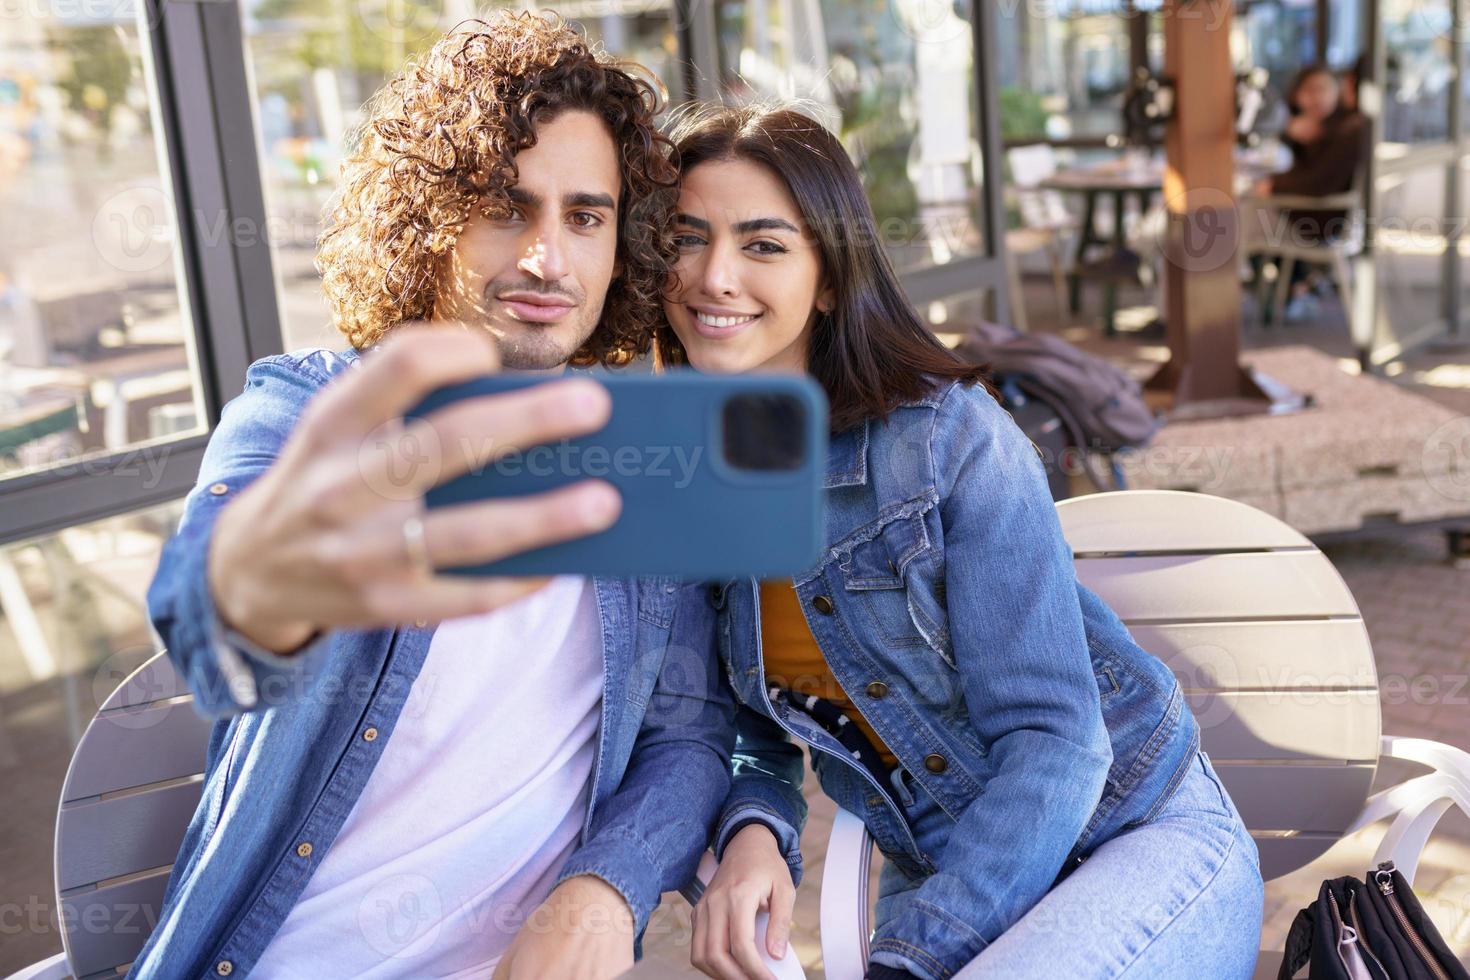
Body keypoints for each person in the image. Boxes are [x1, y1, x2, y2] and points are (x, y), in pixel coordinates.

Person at [130, 16, 734, 979]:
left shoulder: (634, 465)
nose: (547, 259)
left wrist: (606, 886)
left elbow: (689, 734)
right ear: (430, 218)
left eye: (585, 217)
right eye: (507, 207)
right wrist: (253, 592)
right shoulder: (303, 412)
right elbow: (216, 608)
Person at [659, 104, 1265, 980]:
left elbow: (1058, 738)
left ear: (828, 279)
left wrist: (913, 954)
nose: (715, 277)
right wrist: (758, 828)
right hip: (949, 869)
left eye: (762, 245)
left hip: (1132, 836)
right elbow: (746, 720)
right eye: (688, 238)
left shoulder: (944, 440)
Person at [1250, 63, 1367, 321]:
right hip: (1312, 214)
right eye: (1310, 90)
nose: (1318, 97)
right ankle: (1293, 287)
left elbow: (1318, 183)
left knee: (1237, 215)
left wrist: (1274, 186)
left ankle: (1275, 290)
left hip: (1320, 221)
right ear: (1297, 95)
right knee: (1253, 210)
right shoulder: (1325, 127)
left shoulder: (1349, 129)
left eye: (1324, 89)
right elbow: (1304, 172)